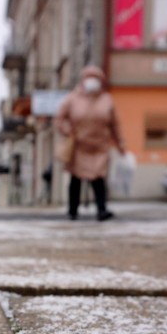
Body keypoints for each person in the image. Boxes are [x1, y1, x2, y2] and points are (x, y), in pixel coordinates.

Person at [54, 65, 127, 221]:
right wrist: (68, 131)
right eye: (89, 77)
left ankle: (101, 209)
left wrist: (121, 144)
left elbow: (115, 124)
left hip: (99, 146)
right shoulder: (72, 98)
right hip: (79, 146)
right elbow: (59, 119)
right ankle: (72, 210)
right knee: (76, 179)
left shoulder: (106, 100)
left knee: (98, 178)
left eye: (96, 78)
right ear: (83, 80)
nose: (92, 81)